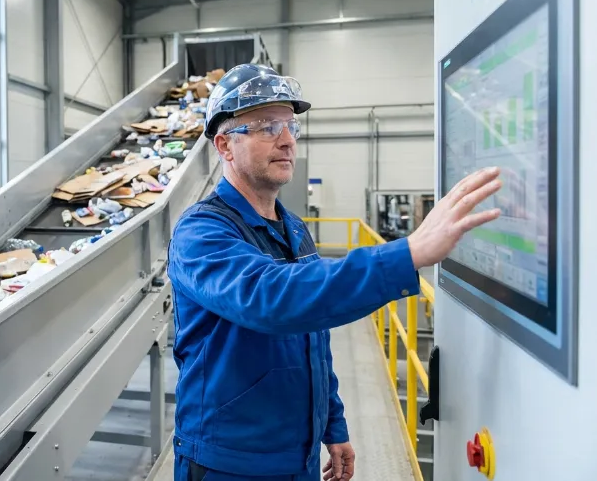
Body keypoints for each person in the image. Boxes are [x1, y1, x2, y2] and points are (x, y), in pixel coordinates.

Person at [167, 64, 502, 481]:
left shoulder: (291, 228)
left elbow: (312, 341)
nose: (288, 140)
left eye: (291, 126)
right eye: (268, 126)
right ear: (225, 145)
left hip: (299, 456)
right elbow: (274, 299)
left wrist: (332, 425)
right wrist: (409, 252)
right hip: (228, 463)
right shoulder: (200, 233)